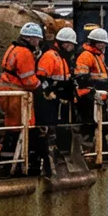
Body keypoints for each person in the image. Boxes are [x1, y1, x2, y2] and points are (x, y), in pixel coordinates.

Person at [0, 22, 43, 172]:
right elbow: (28, 80)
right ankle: (19, 163)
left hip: (8, 93)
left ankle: (8, 162)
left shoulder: (13, 48)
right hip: (17, 95)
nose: (38, 43)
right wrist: (41, 88)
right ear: (31, 39)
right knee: (21, 128)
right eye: (37, 39)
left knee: (12, 127)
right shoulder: (25, 53)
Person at [32, 26, 79, 175]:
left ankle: (58, 157)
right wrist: (49, 92)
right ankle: (46, 160)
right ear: (65, 43)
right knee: (48, 130)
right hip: (49, 102)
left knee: (60, 129)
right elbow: (40, 78)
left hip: (59, 102)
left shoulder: (62, 58)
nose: (72, 48)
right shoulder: (50, 57)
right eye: (71, 45)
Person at [73, 26, 108, 156]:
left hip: (96, 96)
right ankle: (88, 153)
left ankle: (101, 152)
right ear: (95, 42)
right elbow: (81, 77)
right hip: (87, 97)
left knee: (100, 126)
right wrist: (97, 84)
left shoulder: (97, 56)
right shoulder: (86, 55)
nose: (104, 45)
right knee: (89, 126)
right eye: (102, 42)